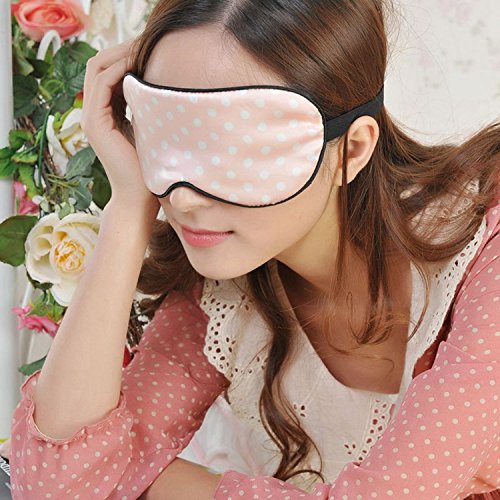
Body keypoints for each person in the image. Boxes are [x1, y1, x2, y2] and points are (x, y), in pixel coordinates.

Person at [7, 0, 499, 498]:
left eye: (233, 150)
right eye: (162, 137)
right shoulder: (225, 301)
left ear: (352, 148)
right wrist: (129, 205)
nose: (184, 198)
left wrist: (153, 483)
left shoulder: (487, 248)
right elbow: (56, 485)